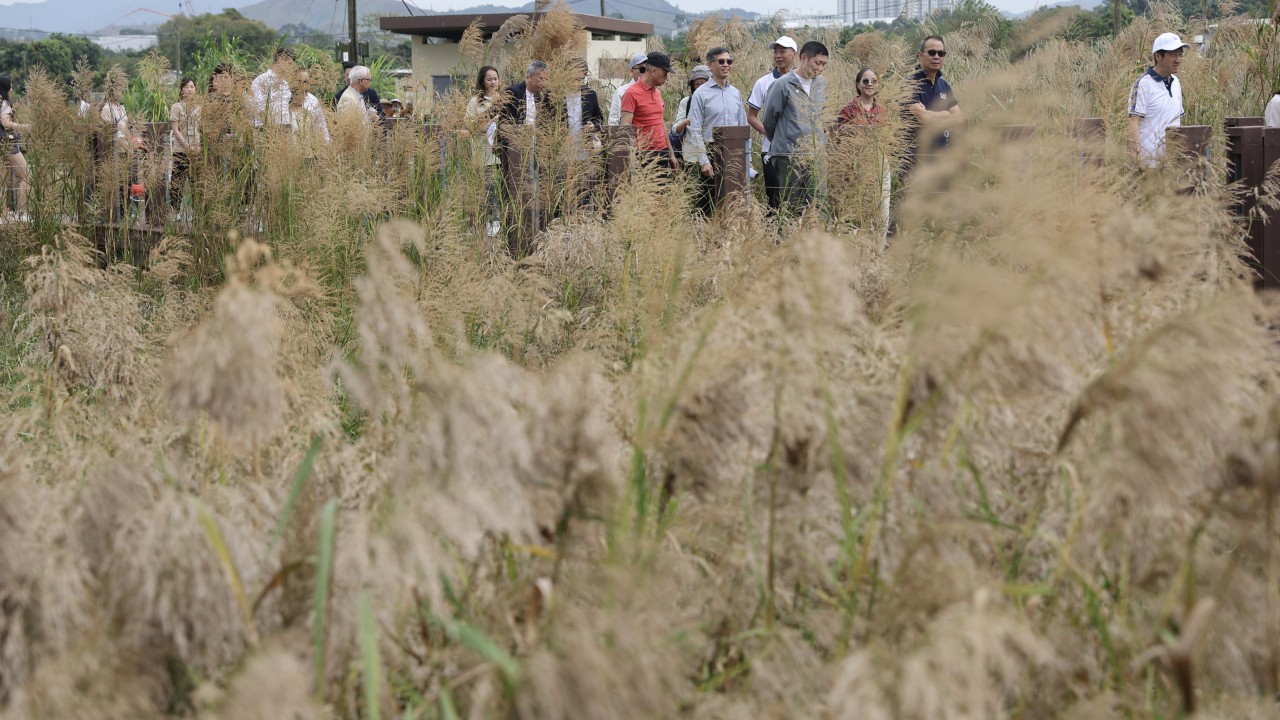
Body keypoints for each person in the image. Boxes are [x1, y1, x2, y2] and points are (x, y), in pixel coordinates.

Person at [760, 40, 829, 219]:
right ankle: (789, 244)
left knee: (818, 203)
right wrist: (785, 140)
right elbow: (768, 120)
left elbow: (822, 116)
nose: (820, 68)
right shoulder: (782, 84)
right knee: (792, 206)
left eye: (824, 64)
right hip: (789, 156)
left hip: (816, 154)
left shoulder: (821, 84)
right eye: (817, 63)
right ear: (804, 58)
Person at [686, 48, 751, 216]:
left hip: (735, 152)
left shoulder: (735, 93)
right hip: (711, 151)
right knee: (709, 203)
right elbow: (695, 130)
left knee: (735, 200)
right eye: (721, 61)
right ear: (710, 65)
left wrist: (747, 157)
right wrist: (704, 161)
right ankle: (706, 239)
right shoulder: (701, 94)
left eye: (729, 61)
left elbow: (743, 127)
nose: (726, 65)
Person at [749, 36, 799, 213]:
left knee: (797, 197)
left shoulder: (802, 81)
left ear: (794, 54)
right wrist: (770, 133)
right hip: (770, 149)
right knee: (775, 198)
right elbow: (752, 116)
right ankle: (773, 238)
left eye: (782, 51)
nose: (778, 55)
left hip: (798, 149)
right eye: (775, 51)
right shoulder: (763, 83)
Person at [1128, 32, 1190, 167]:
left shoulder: (1176, 82)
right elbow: (1134, 122)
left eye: (1180, 54)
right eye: (1173, 55)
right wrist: (1137, 162)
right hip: (1149, 165)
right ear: (1158, 56)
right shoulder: (1143, 84)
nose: (1178, 59)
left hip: (1173, 164)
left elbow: (1175, 121)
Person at [907, 35, 961, 165]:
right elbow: (923, 118)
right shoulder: (910, 84)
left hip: (941, 157)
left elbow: (958, 118)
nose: (936, 56)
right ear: (920, 56)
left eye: (941, 53)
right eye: (932, 52)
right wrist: (946, 114)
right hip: (916, 160)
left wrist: (931, 115)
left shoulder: (944, 86)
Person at [620, 51, 677, 169]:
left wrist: (671, 152)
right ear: (654, 71)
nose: (666, 76)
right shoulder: (631, 93)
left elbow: (661, 123)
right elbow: (625, 127)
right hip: (643, 154)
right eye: (665, 72)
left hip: (662, 151)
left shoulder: (658, 93)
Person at [466, 65, 502, 236]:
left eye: (495, 78)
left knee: (501, 189)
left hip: (502, 152)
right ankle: (490, 221)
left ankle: (501, 221)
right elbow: (470, 126)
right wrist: (486, 122)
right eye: (489, 79)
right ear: (482, 81)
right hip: (484, 152)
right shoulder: (476, 101)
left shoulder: (504, 99)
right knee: (488, 188)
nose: (493, 82)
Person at [168, 76, 201, 211]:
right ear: (182, 89)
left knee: (195, 182)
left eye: (192, 87)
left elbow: (201, 129)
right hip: (181, 150)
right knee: (177, 182)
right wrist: (187, 146)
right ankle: (175, 211)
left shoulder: (199, 108)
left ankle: (196, 211)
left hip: (197, 150)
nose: (189, 89)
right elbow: (175, 130)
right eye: (187, 86)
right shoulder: (176, 107)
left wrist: (198, 147)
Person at [0, 77, 30, 220]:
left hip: (1, 145)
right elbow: (5, 123)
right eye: (10, 87)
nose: (12, 90)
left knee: (3, 179)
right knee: (26, 176)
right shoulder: (5, 102)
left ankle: (3, 213)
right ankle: (22, 213)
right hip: (9, 144)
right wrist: (23, 127)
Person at [673, 64, 711, 168]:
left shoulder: (716, 101)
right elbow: (675, 130)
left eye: (703, 83)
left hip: (713, 154)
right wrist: (686, 122)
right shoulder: (687, 102)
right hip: (692, 157)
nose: (700, 86)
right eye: (696, 84)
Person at [251, 46, 294, 129]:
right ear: (281, 60)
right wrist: (274, 131)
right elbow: (260, 111)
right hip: (265, 130)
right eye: (290, 63)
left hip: (284, 131)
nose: (291, 67)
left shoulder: (285, 84)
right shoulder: (261, 80)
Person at [291, 69, 331, 149]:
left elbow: (321, 125)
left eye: (306, 81)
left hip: (309, 147)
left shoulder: (313, 100)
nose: (303, 84)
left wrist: (327, 144)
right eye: (299, 81)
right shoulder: (286, 99)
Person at [608, 53, 649, 126]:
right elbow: (613, 122)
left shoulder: (653, 91)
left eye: (647, 69)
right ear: (631, 71)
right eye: (642, 69)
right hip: (629, 135)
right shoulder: (621, 92)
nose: (645, 73)